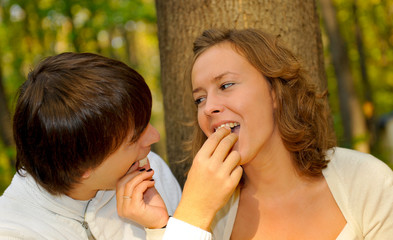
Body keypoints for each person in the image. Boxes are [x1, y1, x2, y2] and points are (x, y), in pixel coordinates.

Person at [126, 28, 393, 239]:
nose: (209, 107)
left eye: (226, 85)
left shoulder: (366, 181)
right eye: (199, 99)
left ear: (275, 92)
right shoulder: (209, 211)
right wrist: (167, 226)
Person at [0, 52, 242, 239]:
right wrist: (193, 215)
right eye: (135, 138)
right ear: (83, 169)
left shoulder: (148, 168)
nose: (154, 137)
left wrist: (160, 227)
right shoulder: (13, 231)